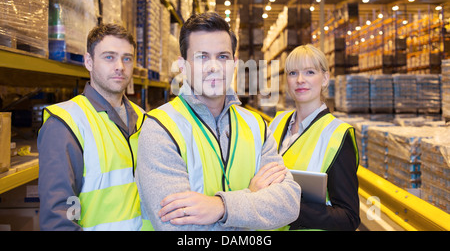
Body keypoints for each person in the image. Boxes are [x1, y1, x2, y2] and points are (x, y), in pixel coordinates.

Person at [136, 12, 301, 230]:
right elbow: (180, 228)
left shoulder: (256, 125)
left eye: (222, 56)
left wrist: (221, 207)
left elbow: (288, 204)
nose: (213, 66)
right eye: (202, 57)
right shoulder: (161, 128)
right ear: (183, 65)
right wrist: (251, 197)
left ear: (234, 63)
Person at [38, 23, 151, 230]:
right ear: (88, 62)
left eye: (127, 58)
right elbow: (59, 217)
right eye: (109, 57)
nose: (120, 66)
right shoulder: (66, 123)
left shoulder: (145, 120)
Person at [268, 44, 360, 231]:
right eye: (293, 73)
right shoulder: (275, 124)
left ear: (325, 79)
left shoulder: (337, 135)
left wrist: (287, 208)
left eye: (309, 72)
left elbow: (349, 217)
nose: (300, 80)